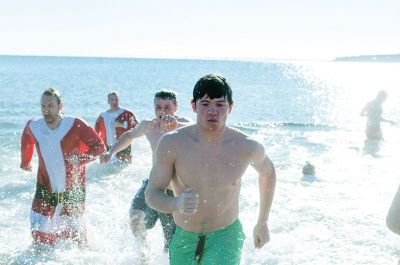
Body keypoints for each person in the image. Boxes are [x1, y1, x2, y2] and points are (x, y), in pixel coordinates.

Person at [145, 73, 276, 264]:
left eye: (219, 104)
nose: (212, 110)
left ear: (230, 107)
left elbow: (268, 172)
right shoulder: (172, 143)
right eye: (205, 103)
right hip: (183, 235)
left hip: (226, 235)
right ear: (193, 105)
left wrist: (262, 222)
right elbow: (151, 194)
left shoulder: (246, 146)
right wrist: (177, 204)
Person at [100, 89, 191, 252]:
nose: (162, 112)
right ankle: (143, 255)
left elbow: (201, 130)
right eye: (158, 107)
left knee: (170, 247)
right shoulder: (149, 126)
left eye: (167, 107)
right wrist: (111, 151)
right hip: (153, 186)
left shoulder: (185, 126)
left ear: (176, 107)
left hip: (174, 193)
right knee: (135, 217)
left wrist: (177, 126)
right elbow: (128, 136)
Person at [20, 88, 106, 245]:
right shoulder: (35, 126)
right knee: (38, 234)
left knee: (76, 238)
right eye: (43, 106)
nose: (46, 111)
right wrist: (25, 161)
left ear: (60, 106)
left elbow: (100, 147)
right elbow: (26, 134)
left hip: (73, 189)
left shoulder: (75, 124)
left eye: (50, 106)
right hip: (45, 188)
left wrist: (81, 159)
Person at [95, 91, 138, 163]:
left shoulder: (126, 113)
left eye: (116, 100)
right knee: (106, 170)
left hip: (123, 146)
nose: (114, 102)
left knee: (125, 169)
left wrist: (124, 124)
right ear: (108, 101)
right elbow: (96, 134)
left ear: (119, 100)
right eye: (112, 100)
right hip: (108, 147)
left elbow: (138, 126)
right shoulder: (102, 116)